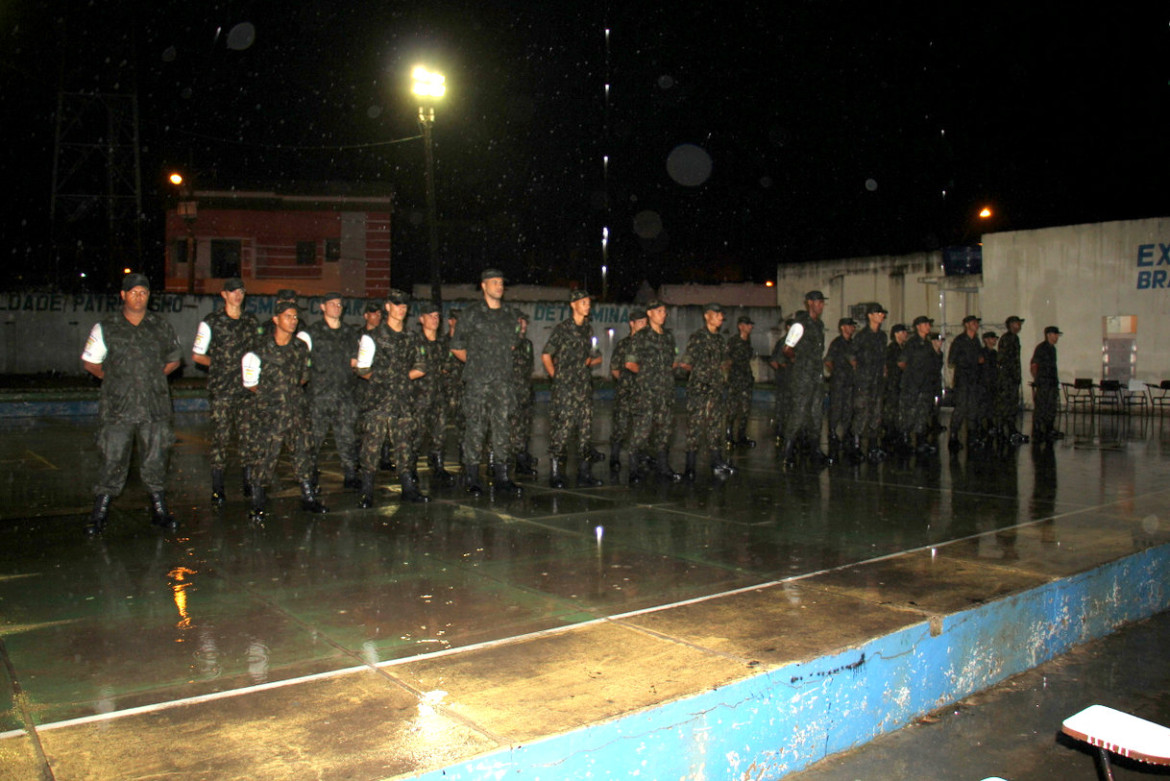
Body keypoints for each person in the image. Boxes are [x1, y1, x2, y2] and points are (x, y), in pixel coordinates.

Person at [81, 273, 182, 534]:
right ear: (123, 295)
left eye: (143, 292)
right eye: (134, 292)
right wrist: (117, 381)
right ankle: (99, 514)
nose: (139, 297)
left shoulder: (160, 326)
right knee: (112, 458)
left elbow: (173, 360)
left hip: (154, 407)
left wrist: (151, 379)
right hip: (118, 408)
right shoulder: (106, 327)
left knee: (156, 459)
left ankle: (160, 512)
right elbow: (91, 363)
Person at [241, 301, 327, 521]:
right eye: (288, 316)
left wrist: (290, 394)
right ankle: (258, 503)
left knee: (303, 454)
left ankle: (308, 497)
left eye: (295, 317)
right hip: (270, 413)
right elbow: (250, 383)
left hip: (296, 411)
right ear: (276, 319)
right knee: (265, 457)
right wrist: (273, 395)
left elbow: (303, 376)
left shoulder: (300, 347)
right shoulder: (260, 347)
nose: (293, 321)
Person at [450, 270, 524, 496]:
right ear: (484, 286)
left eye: (501, 283)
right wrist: (478, 365)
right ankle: (472, 477)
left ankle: (502, 477)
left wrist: (496, 364)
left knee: (502, 428)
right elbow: (457, 346)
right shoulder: (471, 314)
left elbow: (513, 344)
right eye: (495, 282)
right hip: (478, 382)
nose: (499, 286)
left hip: (502, 381)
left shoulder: (510, 315)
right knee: (476, 428)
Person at [355, 290, 429, 505]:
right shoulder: (372, 337)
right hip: (378, 401)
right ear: (387, 307)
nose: (401, 309)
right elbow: (362, 369)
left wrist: (400, 380)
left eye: (404, 306)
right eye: (397, 305)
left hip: (403, 401)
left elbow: (421, 367)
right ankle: (366, 492)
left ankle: (408, 489)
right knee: (372, 447)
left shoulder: (412, 337)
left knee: (405, 445)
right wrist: (383, 380)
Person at [191, 277, 258, 504]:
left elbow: (258, 352)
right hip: (222, 390)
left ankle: (248, 483)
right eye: (233, 291)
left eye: (241, 291)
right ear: (224, 295)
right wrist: (221, 365)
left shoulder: (251, 321)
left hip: (246, 390)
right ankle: (218, 488)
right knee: (221, 438)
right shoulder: (212, 321)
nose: (237, 295)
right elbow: (197, 355)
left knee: (248, 437)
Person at [298, 292, 360, 490]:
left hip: (344, 395)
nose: (336, 307)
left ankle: (350, 475)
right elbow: (301, 364)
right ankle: (310, 476)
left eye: (339, 304)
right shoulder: (311, 333)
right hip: (319, 396)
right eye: (332, 304)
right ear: (323, 307)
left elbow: (355, 362)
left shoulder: (350, 333)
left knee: (347, 438)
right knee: (313, 440)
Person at [542, 290, 604, 487]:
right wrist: (557, 377)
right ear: (573, 304)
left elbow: (595, 356)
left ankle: (584, 474)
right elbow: (546, 354)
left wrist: (589, 361)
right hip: (566, 389)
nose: (587, 305)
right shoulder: (563, 329)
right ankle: (555, 473)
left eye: (588, 302)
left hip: (583, 387)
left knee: (585, 430)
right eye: (583, 302)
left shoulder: (588, 329)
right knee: (562, 429)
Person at [624, 299, 682, 482]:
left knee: (665, 430)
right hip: (647, 393)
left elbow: (673, 360)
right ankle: (634, 468)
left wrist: (665, 374)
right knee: (642, 430)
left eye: (664, 311)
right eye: (659, 311)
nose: (663, 315)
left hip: (666, 392)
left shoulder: (668, 337)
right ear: (649, 313)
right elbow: (630, 363)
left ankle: (663, 467)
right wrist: (647, 377)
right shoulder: (641, 336)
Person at [679, 302, 735, 479]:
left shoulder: (719, 339)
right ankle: (690, 466)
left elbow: (726, 360)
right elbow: (686, 363)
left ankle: (717, 461)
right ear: (707, 316)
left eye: (721, 315)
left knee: (715, 427)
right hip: (699, 390)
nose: (721, 318)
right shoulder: (698, 337)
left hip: (715, 390)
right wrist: (702, 374)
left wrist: (721, 373)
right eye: (717, 314)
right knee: (695, 427)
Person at [780, 291, 831, 466]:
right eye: (817, 302)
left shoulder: (819, 324)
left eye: (822, 302)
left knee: (816, 414)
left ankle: (815, 450)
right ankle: (787, 451)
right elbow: (787, 349)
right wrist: (799, 360)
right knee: (799, 412)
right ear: (809, 303)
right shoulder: (800, 325)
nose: (820, 305)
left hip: (816, 376)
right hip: (803, 377)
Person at [413, 299, 455, 486]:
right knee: (416, 435)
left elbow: (447, 367)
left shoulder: (442, 344)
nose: (434, 319)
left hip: (438, 396)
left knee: (440, 433)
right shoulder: (414, 342)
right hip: (419, 397)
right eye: (430, 316)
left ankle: (438, 466)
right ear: (421, 319)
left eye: (437, 316)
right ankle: (410, 469)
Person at [609, 307, 647, 473]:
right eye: (640, 322)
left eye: (645, 322)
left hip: (643, 392)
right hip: (625, 392)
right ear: (632, 324)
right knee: (621, 426)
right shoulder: (623, 345)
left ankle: (639, 457)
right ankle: (615, 457)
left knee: (641, 426)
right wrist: (626, 383)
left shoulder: (647, 345)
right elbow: (614, 369)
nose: (644, 325)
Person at [851, 303, 888, 462]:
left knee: (876, 414)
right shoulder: (861, 336)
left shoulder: (882, 336)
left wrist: (883, 371)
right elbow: (852, 357)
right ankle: (856, 447)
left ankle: (873, 446)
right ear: (870, 316)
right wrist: (859, 374)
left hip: (877, 381)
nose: (882, 316)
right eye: (878, 313)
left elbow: (883, 358)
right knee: (862, 413)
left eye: (882, 314)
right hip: (864, 382)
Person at [897, 316, 937, 455]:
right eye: (925, 324)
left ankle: (921, 442)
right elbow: (901, 362)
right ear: (918, 326)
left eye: (929, 324)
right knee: (908, 415)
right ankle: (905, 442)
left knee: (922, 415)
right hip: (912, 386)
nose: (928, 326)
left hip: (925, 385)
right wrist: (912, 375)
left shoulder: (927, 344)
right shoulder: (912, 343)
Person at [946, 315, 985, 451]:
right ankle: (953, 436)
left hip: (974, 380)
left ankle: (972, 437)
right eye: (973, 323)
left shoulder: (976, 341)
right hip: (963, 380)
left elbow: (980, 357)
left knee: (973, 408)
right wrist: (972, 360)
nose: (976, 325)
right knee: (961, 408)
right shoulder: (959, 341)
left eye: (977, 323)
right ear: (967, 325)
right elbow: (951, 360)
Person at [824, 316, 857, 460]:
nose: (852, 328)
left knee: (848, 409)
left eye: (853, 326)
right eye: (849, 326)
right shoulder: (837, 343)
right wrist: (836, 372)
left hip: (850, 381)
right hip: (838, 382)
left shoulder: (853, 343)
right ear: (842, 327)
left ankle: (847, 436)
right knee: (836, 408)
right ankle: (832, 434)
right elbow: (828, 361)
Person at [511, 312, 538, 477]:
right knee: (514, 429)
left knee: (525, 427)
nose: (523, 325)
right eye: (519, 322)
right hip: (510, 392)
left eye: (525, 322)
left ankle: (522, 459)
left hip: (525, 392)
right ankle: (515, 462)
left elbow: (529, 368)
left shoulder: (528, 344)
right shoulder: (507, 343)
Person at [995, 316, 1029, 444]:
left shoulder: (1013, 338)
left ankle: (1008, 429)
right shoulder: (1009, 339)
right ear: (1011, 325)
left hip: (1011, 378)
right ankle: (1005, 430)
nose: (1019, 326)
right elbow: (1004, 359)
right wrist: (1009, 376)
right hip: (1007, 379)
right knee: (1006, 405)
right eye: (1017, 324)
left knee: (1010, 405)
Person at [726, 315, 757, 449]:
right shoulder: (734, 341)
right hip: (735, 380)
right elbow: (727, 359)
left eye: (751, 324)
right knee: (732, 409)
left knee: (745, 409)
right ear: (741, 326)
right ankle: (728, 436)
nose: (751, 327)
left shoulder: (747, 341)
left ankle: (741, 436)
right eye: (748, 324)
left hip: (746, 380)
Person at [1030, 326, 1064, 441]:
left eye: (1057, 335)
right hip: (1044, 383)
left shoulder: (1052, 349)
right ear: (1048, 335)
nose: (1057, 337)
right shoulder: (1041, 348)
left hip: (1052, 383)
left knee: (1051, 408)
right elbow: (1034, 365)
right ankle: (1037, 431)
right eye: (1055, 334)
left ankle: (1049, 429)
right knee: (1041, 408)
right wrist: (1037, 380)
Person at [881, 323, 909, 447]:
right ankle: (889, 434)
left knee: (899, 410)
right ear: (896, 334)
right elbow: (900, 364)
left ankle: (896, 434)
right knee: (891, 410)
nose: (905, 334)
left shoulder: (903, 348)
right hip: (893, 383)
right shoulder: (893, 348)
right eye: (903, 332)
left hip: (901, 383)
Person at [768, 318, 794, 444]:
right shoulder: (784, 342)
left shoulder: (797, 342)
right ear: (788, 328)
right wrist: (783, 371)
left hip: (793, 380)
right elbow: (775, 361)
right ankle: (780, 431)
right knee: (782, 406)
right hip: (785, 379)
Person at [978, 331, 999, 443]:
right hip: (983, 384)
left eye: (995, 338)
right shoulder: (981, 353)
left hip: (992, 383)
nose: (994, 340)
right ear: (986, 340)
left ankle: (990, 424)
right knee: (982, 406)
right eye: (992, 338)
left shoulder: (994, 353)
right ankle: (980, 427)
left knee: (991, 405)